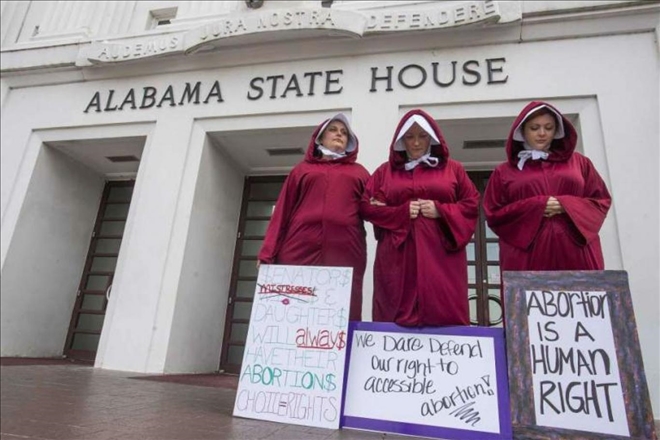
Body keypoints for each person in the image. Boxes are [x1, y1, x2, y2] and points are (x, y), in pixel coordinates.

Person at [361, 109, 479, 327]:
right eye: (409, 137)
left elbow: (471, 203)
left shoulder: (453, 169)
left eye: (422, 136)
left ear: (432, 139)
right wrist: (399, 212)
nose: (416, 143)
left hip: (441, 254)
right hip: (397, 254)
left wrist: (440, 210)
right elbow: (366, 206)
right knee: (393, 309)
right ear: (401, 140)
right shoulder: (384, 172)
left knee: (443, 309)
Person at [257, 114, 369, 321]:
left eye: (344, 133)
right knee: (294, 303)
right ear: (320, 138)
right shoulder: (301, 170)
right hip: (299, 247)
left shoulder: (360, 173)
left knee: (342, 306)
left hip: (345, 249)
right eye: (333, 130)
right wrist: (267, 252)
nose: (339, 135)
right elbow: (282, 211)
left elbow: (373, 208)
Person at [483, 101, 612, 272]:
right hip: (527, 255)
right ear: (522, 131)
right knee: (530, 298)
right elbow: (493, 213)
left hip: (577, 251)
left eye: (549, 128)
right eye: (534, 128)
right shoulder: (504, 172)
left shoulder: (580, 163)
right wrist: (537, 206)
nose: (542, 133)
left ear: (557, 131)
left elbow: (601, 201)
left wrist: (566, 205)